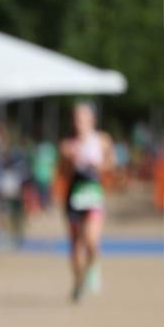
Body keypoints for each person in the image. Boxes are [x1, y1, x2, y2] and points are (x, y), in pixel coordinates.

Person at [59, 102, 114, 302]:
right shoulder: (67, 145)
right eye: (76, 118)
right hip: (74, 197)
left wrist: (98, 165)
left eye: (82, 118)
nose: (78, 122)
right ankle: (78, 282)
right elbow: (62, 174)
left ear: (92, 119)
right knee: (75, 246)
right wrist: (69, 161)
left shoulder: (102, 140)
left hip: (93, 196)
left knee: (91, 242)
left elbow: (111, 165)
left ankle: (92, 267)